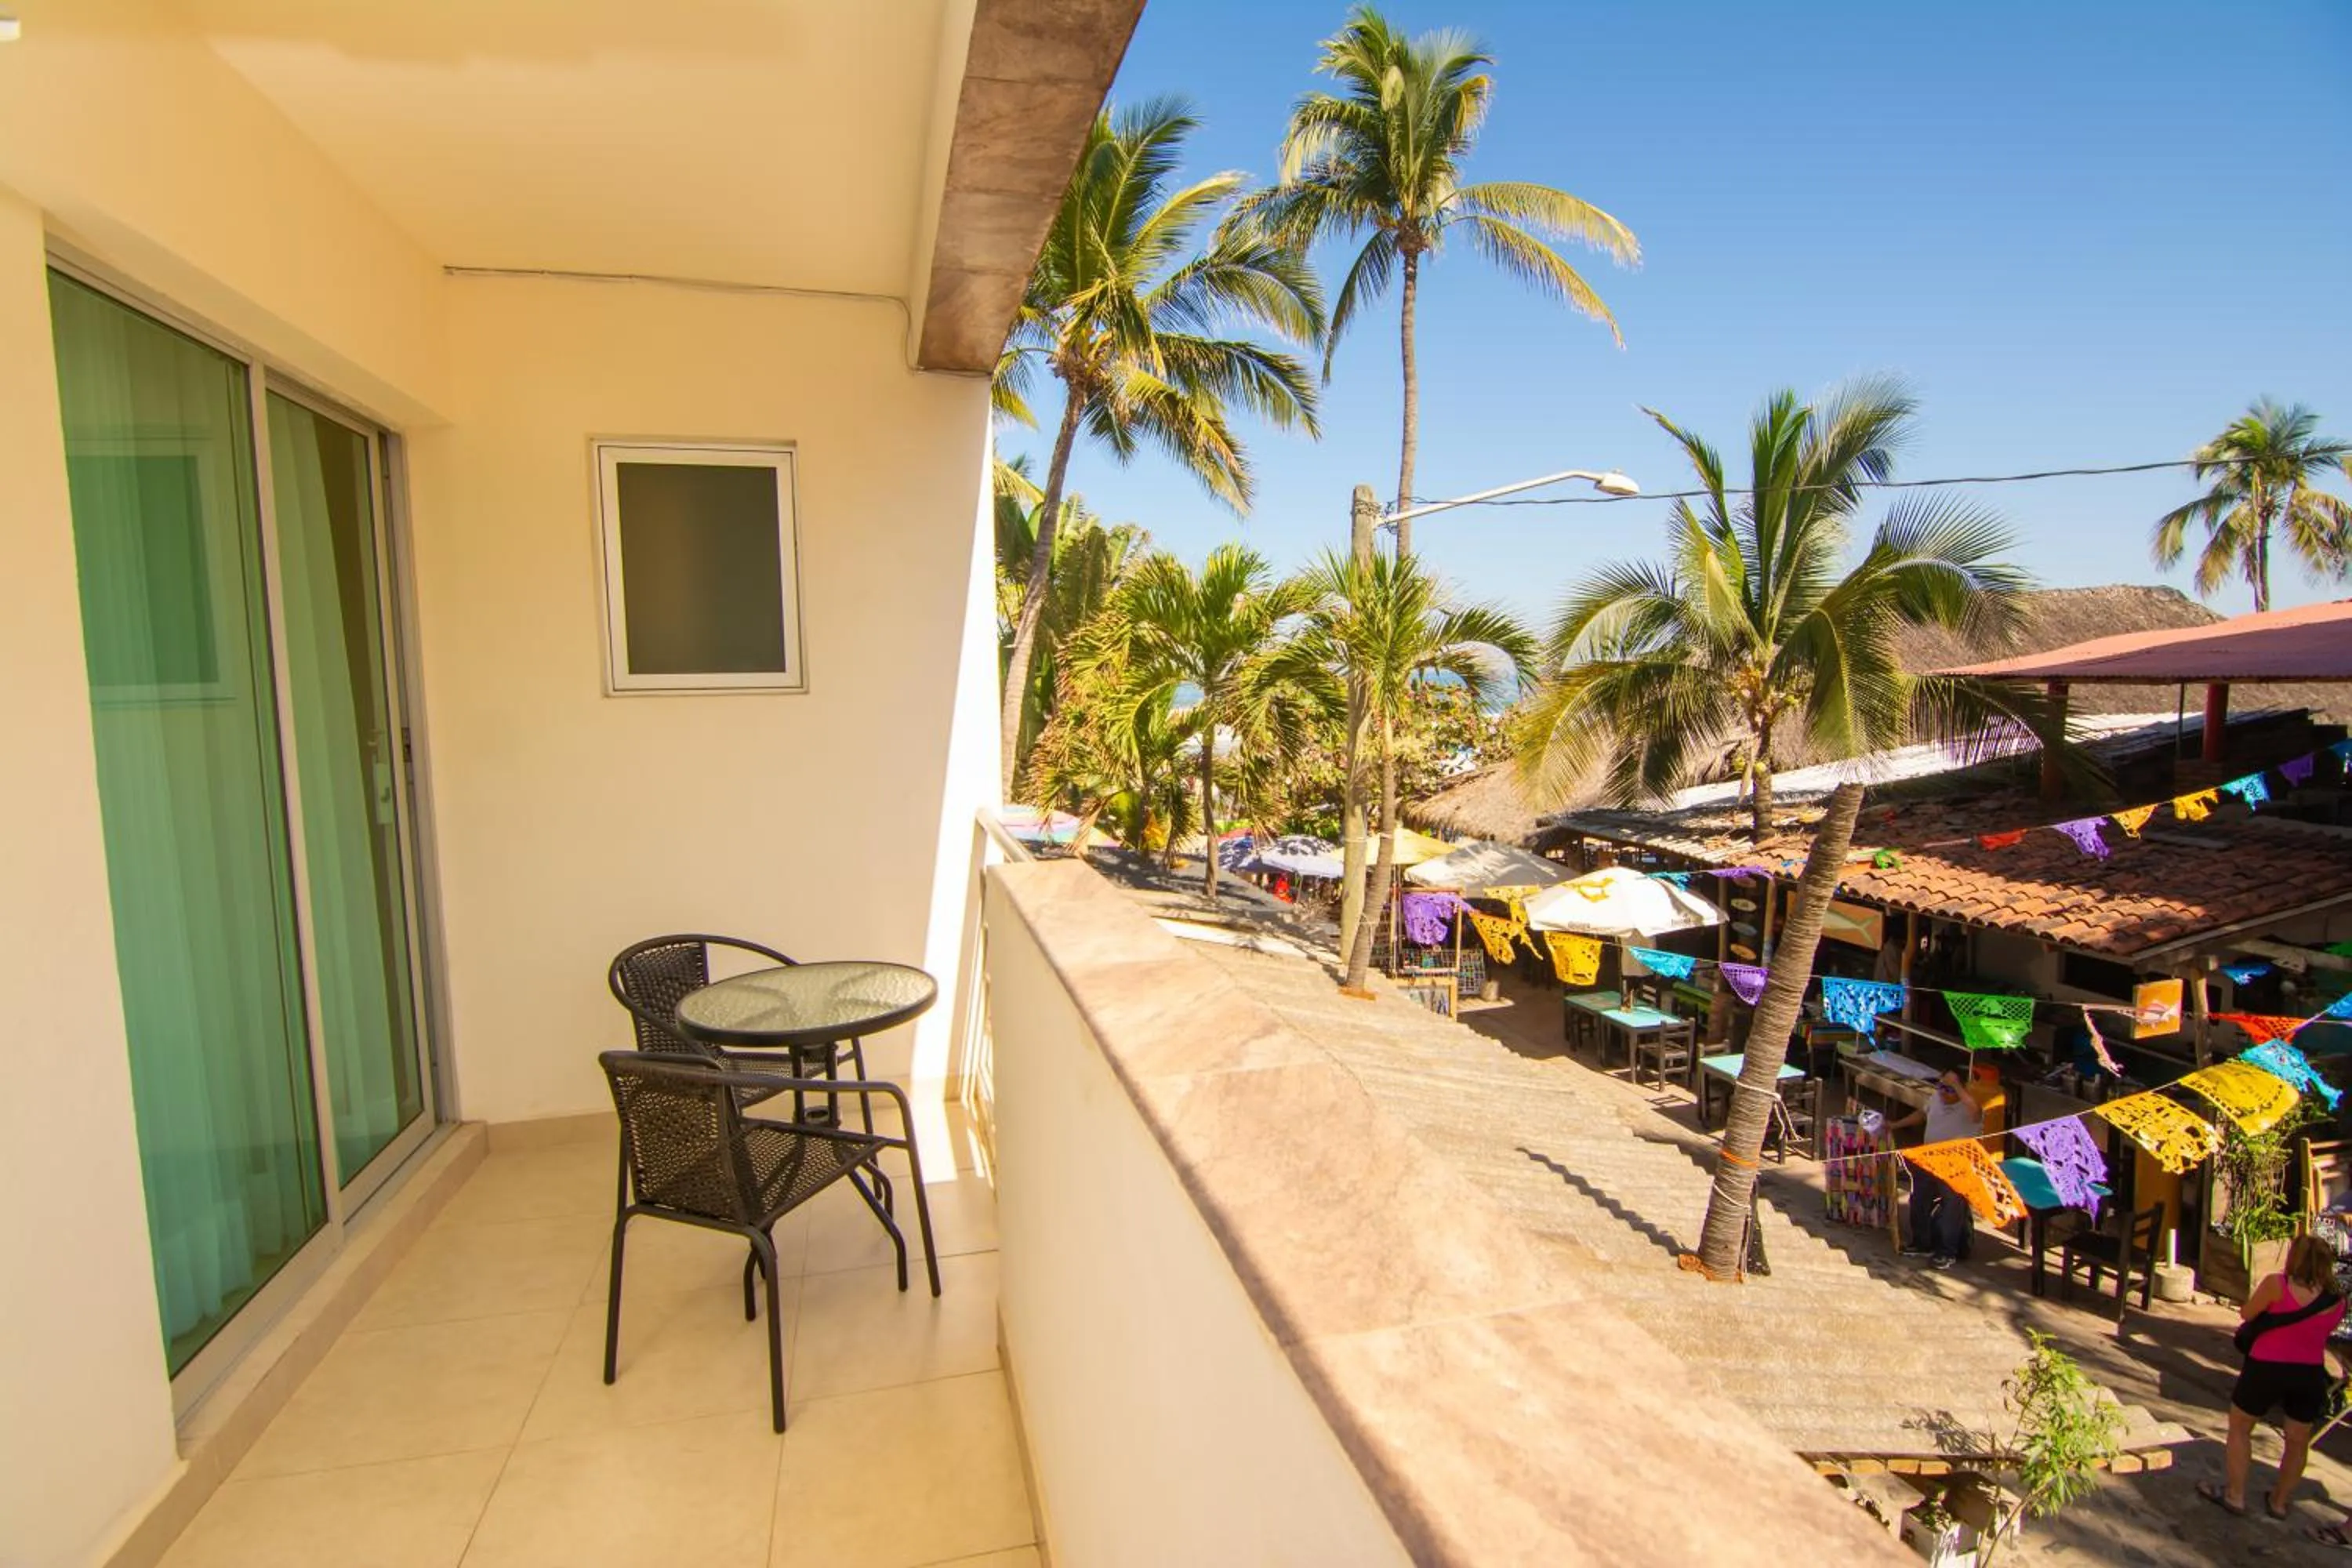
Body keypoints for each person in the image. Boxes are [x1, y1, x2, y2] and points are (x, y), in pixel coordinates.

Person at [2199, 1234, 2346, 1521]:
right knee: (2298, 1440)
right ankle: (2279, 1502)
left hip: (2266, 1367)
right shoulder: (2337, 1302)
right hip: (2308, 1373)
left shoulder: (2277, 1285)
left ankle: (2235, 1495)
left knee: (2241, 1427)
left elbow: (2246, 1313)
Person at [1889, 1070, 1984, 1270]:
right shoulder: (1936, 1097)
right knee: (1919, 1199)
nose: (1943, 1093)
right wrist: (1896, 1125)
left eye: (1949, 1089)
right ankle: (1921, 1243)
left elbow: (1976, 1112)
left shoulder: (1970, 1106)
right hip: (1929, 1159)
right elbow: (1922, 1114)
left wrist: (1956, 1085)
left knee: (1952, 1207)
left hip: (1956, 1166)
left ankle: (1946, 1252)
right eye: (1941, 1087)